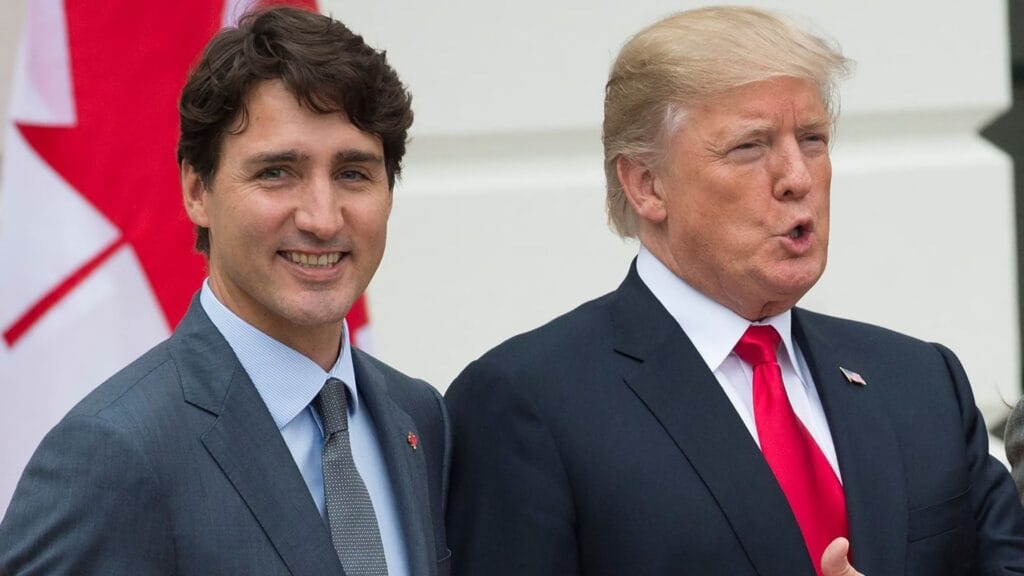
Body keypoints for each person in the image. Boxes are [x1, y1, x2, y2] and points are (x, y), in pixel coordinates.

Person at [445, 6, 1024, 576]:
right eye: (750, 146)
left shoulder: (921, 382)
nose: (797, 176)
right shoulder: (529, 404)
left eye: (813, 139)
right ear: (647, 185)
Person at [0, 7, 450, 576]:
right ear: (197, 191)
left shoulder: (419, 417)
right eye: (276, 172)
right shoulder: (113, 452)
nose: (322, 218)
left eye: (353, 173)